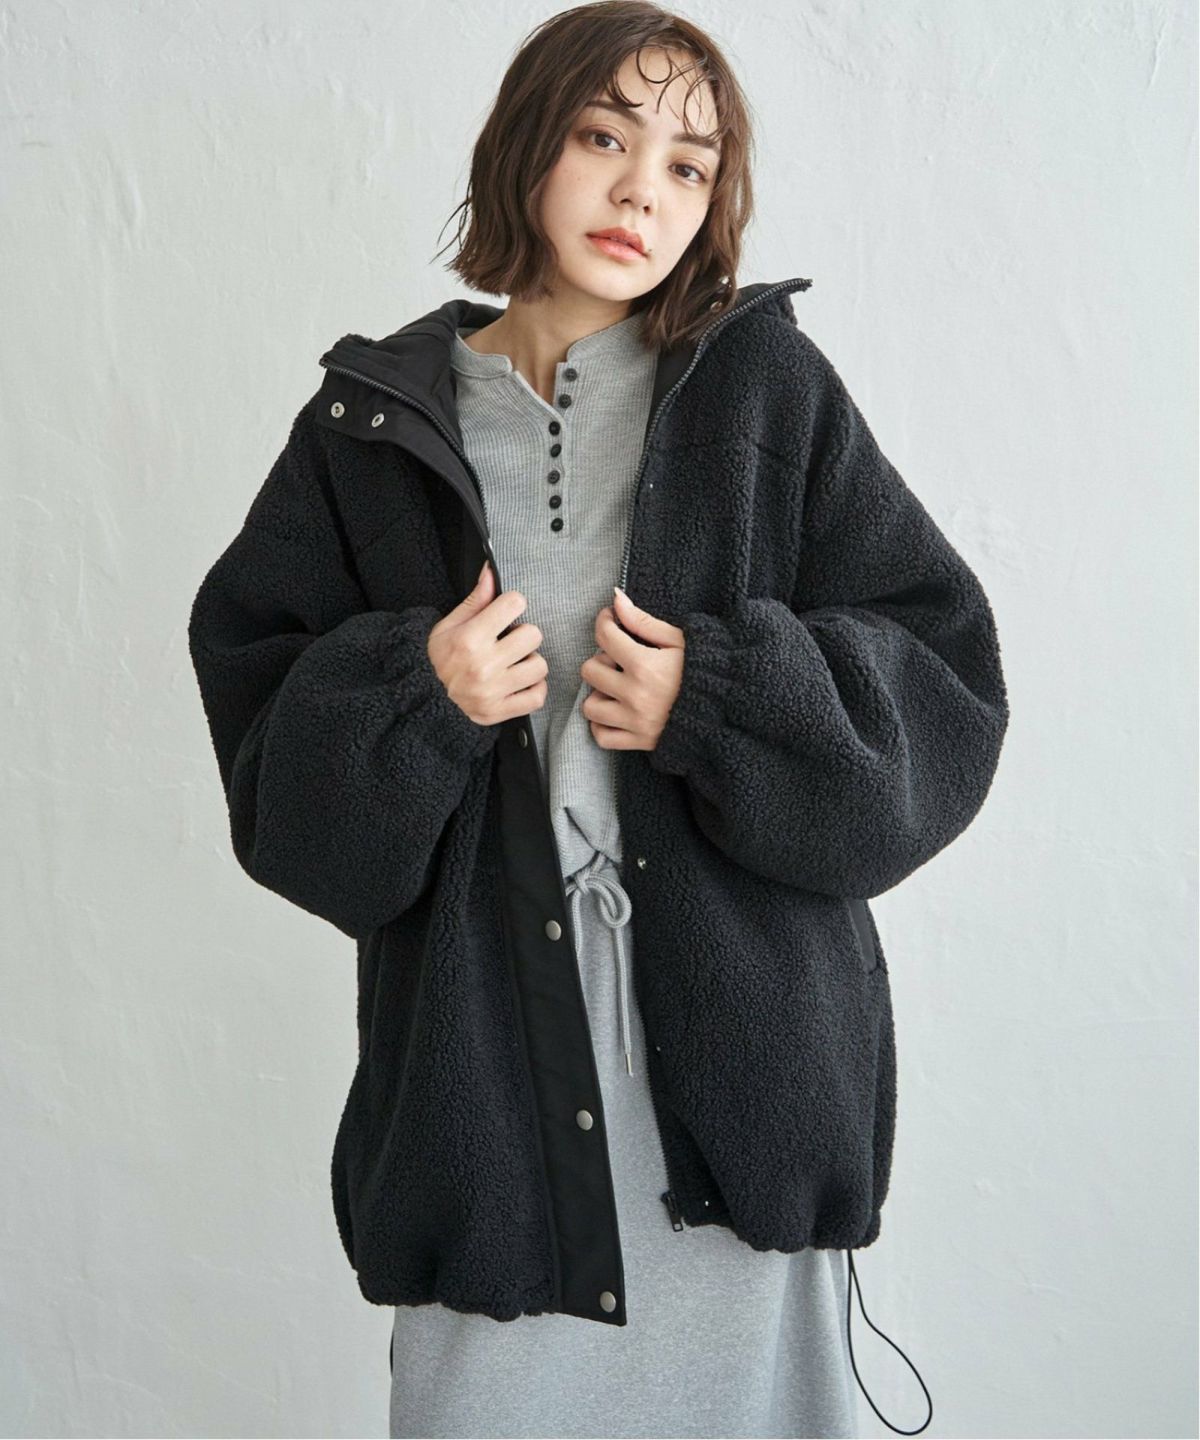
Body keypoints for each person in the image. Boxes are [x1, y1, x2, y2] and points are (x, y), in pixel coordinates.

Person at [188, 4, 1008, 1436]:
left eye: (689, 166)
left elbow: (945, 690)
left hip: (740, 1091)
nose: (644, 192)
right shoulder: (367, 431)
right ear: (528, 145)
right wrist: (421, 697)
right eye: (604, 137)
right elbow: (288, 810)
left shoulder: (767, 392)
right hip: (481, 1094)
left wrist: (720, 699)